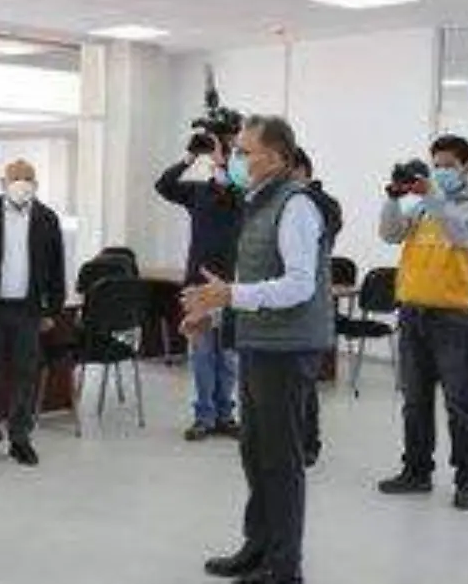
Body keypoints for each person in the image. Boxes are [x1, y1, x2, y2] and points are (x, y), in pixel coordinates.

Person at [182, 115, 331, 584]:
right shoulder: (258, 202)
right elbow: (253, 279)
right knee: (255, 452)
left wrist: (230, 295)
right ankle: (258, 546)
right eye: (236, 151)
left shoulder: (296, 205)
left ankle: (284, 568)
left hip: (286, 349)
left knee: (280, 460)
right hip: (258, 342)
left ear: (278, 157)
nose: (236, 159)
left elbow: (299, 285)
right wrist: (214, 310)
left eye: (245, 152)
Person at [377, 134, 468, 512]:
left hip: (456, 319)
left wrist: (433, 195)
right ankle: (416, 471)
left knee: (459, 404)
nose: (441, 171)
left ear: (467, 166)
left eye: (449, 165)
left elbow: (460, 236)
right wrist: (393, 197)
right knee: (414, 402)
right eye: (437, 165)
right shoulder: (422, 208)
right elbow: (390, 234)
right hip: (413, 314)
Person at [0, 159, 66, 468]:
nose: (21, 182)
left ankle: (20, 438)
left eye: (27, 178)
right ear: (3, 183)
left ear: (36, 184)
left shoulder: (47, 219)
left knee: (25, 374)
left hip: (28, 310)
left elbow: (57, 267)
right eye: (15, 177)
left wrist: (52, 309)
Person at [155, 134, 244, 442]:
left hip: (232, 286)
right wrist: (189, 158)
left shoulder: (241, 194)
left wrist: (224, 164)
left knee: (228, 356)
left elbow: (238, 194)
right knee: (202, 354)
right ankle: (204, 417)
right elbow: (164, 186)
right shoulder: (198, 191)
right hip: (198, 286)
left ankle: (225, 415)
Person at [289, 148, 343, 468]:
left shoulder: (322, 204)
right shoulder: (278, 202)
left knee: (304, 383)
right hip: (279, 310)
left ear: (303, 171)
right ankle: (289, 441)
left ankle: (309, 444)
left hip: (308, 308)